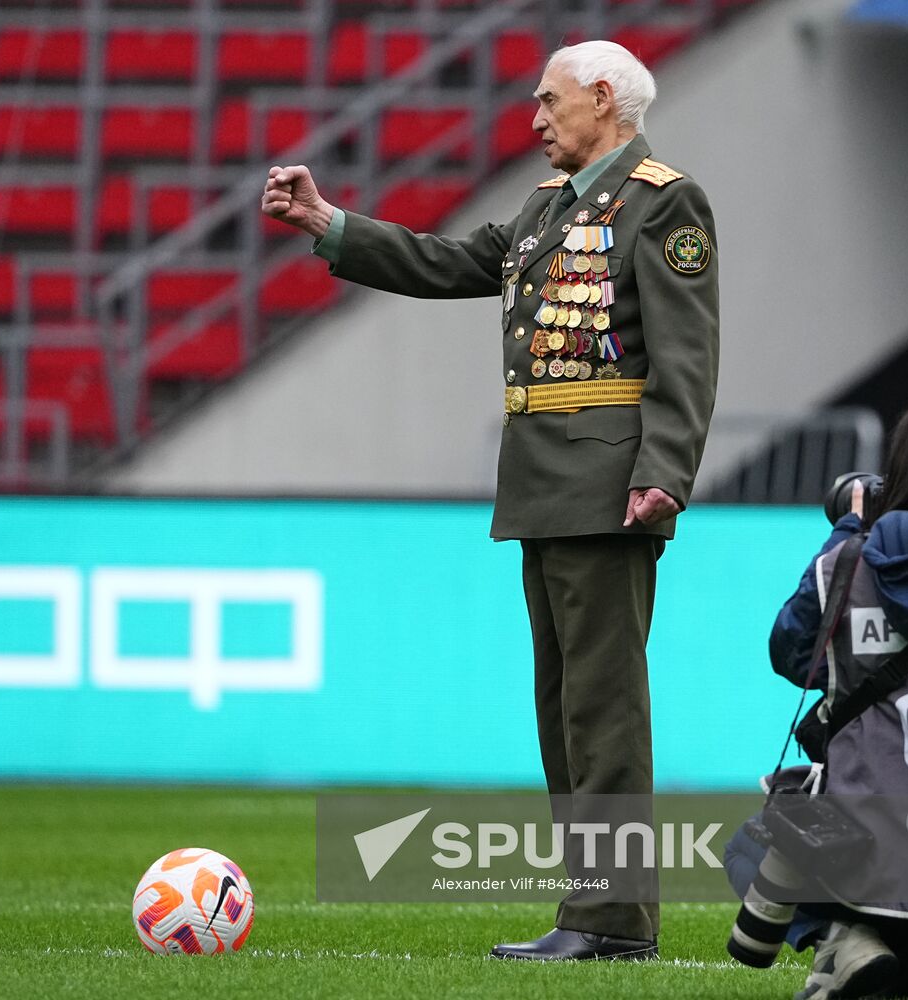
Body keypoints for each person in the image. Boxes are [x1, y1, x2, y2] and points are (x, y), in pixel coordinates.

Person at [262, 39, 719, 959]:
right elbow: (449, 263)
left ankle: (613, 921)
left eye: (549, 102)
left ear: (602, 98)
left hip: (608, 488)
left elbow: (686, 353)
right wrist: (329, 224)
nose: (535, 118)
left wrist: (664, 473)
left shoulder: (665, 200)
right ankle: (591, 913)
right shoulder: (547, 209)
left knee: (605, 709)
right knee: (562, 709)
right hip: (546, 484)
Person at [761, 389, 908, 999]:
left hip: (871, 869)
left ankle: (844, 939)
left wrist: (851, 528)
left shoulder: (847, 568)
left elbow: (792, 655)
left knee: (789, 800)